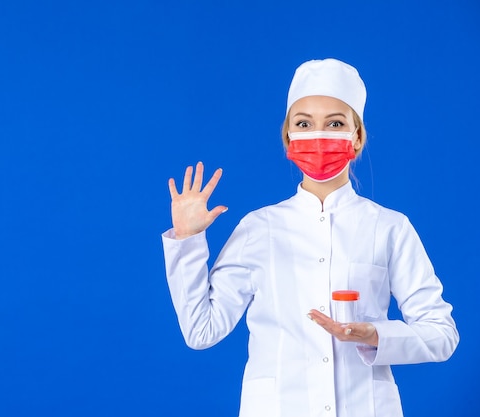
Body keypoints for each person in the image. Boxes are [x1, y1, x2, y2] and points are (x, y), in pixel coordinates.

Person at [161, 58, 459, 417]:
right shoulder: (259, 228)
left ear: (357, 136)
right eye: (304, 123)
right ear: (288, 138)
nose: (319, 136)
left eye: (335, 123)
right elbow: (201, 331)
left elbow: (441, 334)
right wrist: (187, 240)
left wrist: (374, 336)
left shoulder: (389, 227)